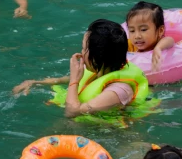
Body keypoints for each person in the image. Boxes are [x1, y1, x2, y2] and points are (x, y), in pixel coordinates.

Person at [12, 19, 149, 120]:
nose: (81, 52)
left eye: (84, 48)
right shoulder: (102, 69)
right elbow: (63, 80)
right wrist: (35, 82)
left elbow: (72, 111)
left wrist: (74, 81)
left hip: (108, 135)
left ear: (97, 56)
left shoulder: (118, 90)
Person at [126, 1, 175, 74]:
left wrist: (158, 48)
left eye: (143, 30)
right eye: (132, 31)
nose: (137, 36)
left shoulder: (159, 43)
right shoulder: (131, 45)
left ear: (160, 30)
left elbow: (170, 40)